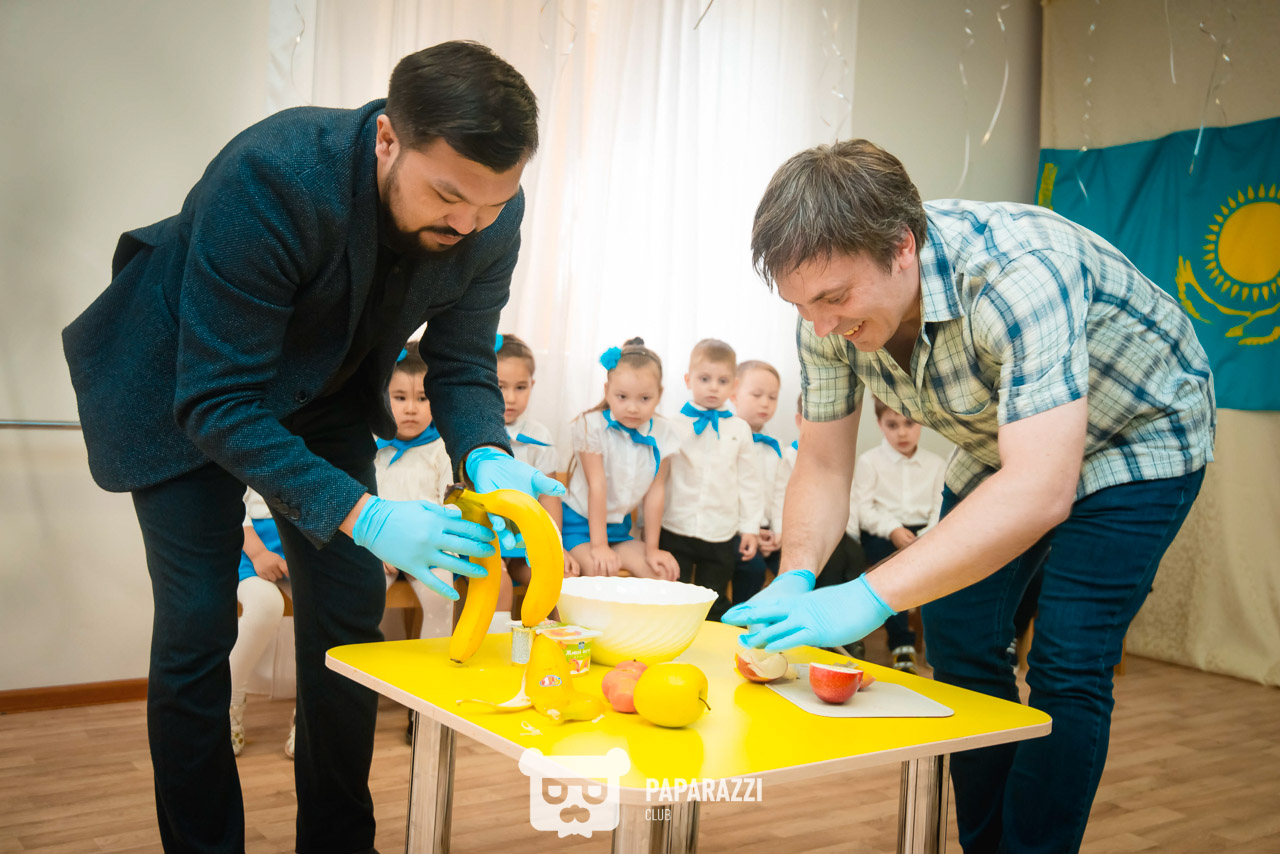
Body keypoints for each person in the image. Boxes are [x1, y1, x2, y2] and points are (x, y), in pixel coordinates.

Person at [62, 41, 563, 854]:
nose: (468, 224)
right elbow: (218, 402)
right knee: (198, 626)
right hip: (187, 382)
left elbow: (464, 361)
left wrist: (487, 454)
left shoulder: (487, 207)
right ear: (388, 140)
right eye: (447, 197)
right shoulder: (273, 176)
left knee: (349, 610)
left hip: (323, 386)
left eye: (491, 204)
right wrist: (367, 515)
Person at [725, 139, 1214, 854]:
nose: (821, 325)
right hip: (1004, 440)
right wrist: (798, 574)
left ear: (902, 247)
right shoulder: (824, 316)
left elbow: (1039, 488)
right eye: (802, 305)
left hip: (1139, 433)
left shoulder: (1020, 273)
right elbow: (825, 465)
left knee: (1068, 657)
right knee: (958, 637)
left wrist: (869, 593)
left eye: (834, 299)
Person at [662, 339, 764, 620]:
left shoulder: (740, 429)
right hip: (675, 526)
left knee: (713, 599)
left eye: (722, 381)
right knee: (673, 598)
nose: (713, 387)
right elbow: (658, 479)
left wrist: (750, 528)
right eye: (704, 379)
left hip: (721, 531)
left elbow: (750, 482)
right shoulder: (672, 425)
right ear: (688, 380)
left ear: (734, 386)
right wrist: (648, 526)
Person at [564, 339, 681, 580]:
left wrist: (652, 549)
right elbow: (597, 485)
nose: (633, 408)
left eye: (644, 399)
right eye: (622, 397)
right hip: (580, 526)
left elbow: (656, 491)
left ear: (659, 395)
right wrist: (599, 546)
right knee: (600, 571)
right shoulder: (591, 425)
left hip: (619, 530)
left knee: (661, 572)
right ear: (607, 391)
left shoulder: (664, 432)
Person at [853, 397, 946, 674]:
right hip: (883, 533)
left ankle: (938, 643)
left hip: (926, 533)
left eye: (909, 424)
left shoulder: (936, 464)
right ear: (880, 425)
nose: (902, 433)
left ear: (921, 423)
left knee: (944, 566)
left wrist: (925, 536)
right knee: (890, 569)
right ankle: (901, 644)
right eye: (892, 425)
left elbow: (940, 507)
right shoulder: (869, 462)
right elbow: (864, 509)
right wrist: (892, 529)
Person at [495, 332, 580, 579]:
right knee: (498, 582)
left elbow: (549, 496)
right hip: (486, 539)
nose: (511, 398)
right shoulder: (471, 433)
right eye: (500, 387)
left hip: (526, 541)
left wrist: (556, 545)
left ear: (532, 385)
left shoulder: (538, 435)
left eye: (520, 387)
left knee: (560, 578)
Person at [228, 488, 295, 758]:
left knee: (324, 609)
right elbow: (231, 500)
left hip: (305, 542)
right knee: (265, 605)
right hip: (250, 545)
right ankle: (229, 703)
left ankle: (310, 712)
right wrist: (258, 554)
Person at [728, 360, 783, 604]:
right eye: (757, 395)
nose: (765, 403)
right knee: (753, 568)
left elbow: (781, 494)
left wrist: (779, 532)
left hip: (768, 530)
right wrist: (749, 530)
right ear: (734, 395)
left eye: (772, 397)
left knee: (799, 565)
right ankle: (740, 619)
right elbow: (725, 494)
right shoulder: (726, 442)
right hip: (734, 529)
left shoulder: (777, 448)